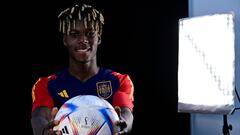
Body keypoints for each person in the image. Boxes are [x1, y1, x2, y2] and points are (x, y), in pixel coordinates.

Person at [30, 2, 134, 135]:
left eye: (90, 33)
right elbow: (39, 116)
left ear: (99, 38)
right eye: (74, 34)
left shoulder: (119, 80)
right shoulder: (47, 84)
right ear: (65, 40)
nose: (83, 40)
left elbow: (126, 112)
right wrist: (44, 130)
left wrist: (124, 123)